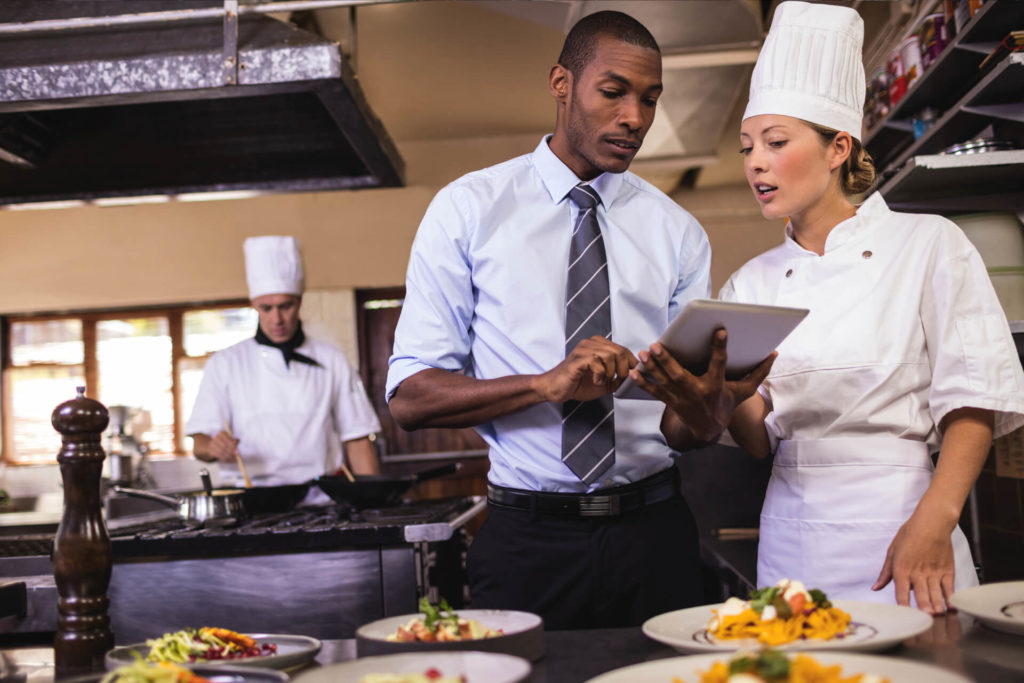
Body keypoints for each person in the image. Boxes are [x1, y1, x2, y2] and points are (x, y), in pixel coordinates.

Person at [386, 11, 773, 629]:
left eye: (650, 100)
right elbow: (409, 398)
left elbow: (682, 430)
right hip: (524, 543)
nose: (635, 119)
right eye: (614, 92)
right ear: (561, 83)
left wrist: (710, 407)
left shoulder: (677, 233)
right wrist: (546, 385)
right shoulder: (468, 209)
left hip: (655, 535)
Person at [714, 1, 1024, 613]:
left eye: (777, 142)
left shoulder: (928, 244)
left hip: (908, 528)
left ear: (837, 149)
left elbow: (974, 398)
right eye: (749, 145)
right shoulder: (748, 284)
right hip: (793, 541)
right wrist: (719, 394)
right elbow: (757, 443)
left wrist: (935, 521)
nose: (755, 162)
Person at [187, 235, 382, 488]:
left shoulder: (332, 359)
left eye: (285, 306)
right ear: (254, 306)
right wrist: (213, 448)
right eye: (266, 308)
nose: (277, 319)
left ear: (299, 302)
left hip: (321, 497)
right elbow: (199, 444)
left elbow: (357, 438)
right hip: (253, 498)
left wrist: (375, 501)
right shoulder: (225, 363)